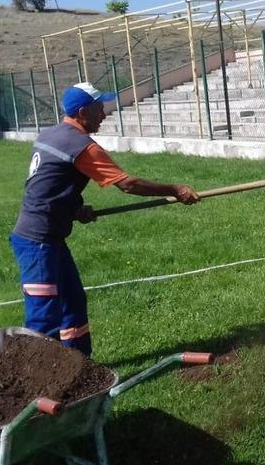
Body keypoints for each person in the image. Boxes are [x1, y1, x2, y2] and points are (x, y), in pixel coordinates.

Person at [10, 82, 200, 356]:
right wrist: (175, 190)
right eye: (100, 109)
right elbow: (128, 185)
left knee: (73, 303)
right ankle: (35, 382)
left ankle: (77, 366)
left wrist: (75, 209)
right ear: (83, 112)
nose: (105, 114)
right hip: (38, 243)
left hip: (48, 238)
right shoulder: (82, 146)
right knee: (44, 317)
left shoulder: (51, 135)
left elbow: (48, 184)